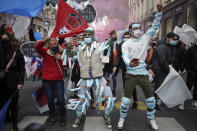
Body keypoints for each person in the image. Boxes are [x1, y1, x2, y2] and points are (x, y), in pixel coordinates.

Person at [117, 4, 163, 131]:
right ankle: (122, 117)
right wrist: (129, 63)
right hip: (131, 75)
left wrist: (158, 13)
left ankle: (151, 118)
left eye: (139, 28)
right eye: (135, 28)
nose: (138, 30)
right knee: (126, 101)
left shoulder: (145, 39)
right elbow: (125, 56)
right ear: (130, 31)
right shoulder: (126, 44)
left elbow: (154, 26)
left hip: (143, 75)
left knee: (151, 100)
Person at [65, 27, 114, 129]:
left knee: (108, 98)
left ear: (93, 36)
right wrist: (68, 47)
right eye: (85, 35)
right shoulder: (79, 48)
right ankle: (78, 117)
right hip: (85, 78)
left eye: (89, 35)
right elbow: (70, 54)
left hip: (98, 78)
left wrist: (112, 38)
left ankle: (106, 115)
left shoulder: (99, 46)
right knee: (80, 99)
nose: (87, 37)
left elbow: (109, 43)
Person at [34, 37, 66, 127]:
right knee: (50, 99)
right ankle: (52, 116)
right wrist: (44, 41)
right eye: (51, 41)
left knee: (61, 100)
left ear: (57, 42)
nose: (54, 42)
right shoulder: (45, 51)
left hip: (58, 79)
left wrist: (61, 58)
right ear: (49, 43)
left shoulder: (61, 51)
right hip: (47, 80)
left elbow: (66, 64)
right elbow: (37, 47)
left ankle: (62, 117)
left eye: (55, 40)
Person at [0, 28, 25, 131]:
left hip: (13, 82)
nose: (4, 41)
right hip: (1, 83)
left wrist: (20, 82)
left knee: (14, 105)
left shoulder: (16, 52)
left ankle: (15, 125)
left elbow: (22, 69)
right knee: (2, 104)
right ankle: (5, 119)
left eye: (6, 39)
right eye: (2, 40)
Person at [113, 32, 138, 108]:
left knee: (132, 85)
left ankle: (135, 100)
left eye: (128, 37)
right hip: (124, 68)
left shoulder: (134, 44)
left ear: (130, 37)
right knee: (125, 85)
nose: (126, 38)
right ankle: (126, 100)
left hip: (133, 68)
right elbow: (118, 56)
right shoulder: (121, 44)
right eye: (125, 37)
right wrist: (115, 65)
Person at [103, 30, 118, 97]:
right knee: (106, 79)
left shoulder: (116, 45)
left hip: (113, 65)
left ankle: (114, 90)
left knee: (114, 78)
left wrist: (116, 65)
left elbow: (118, 55)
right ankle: (106, 91)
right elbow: (103, 55)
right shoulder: (106, 45)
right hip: (106, 66)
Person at [185, 39, 197, 108]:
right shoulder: (191, 49)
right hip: (192, 71)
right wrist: (188, 69)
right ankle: (184, 100)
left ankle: (195, 100)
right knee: (188, 87)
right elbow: (186, 60)